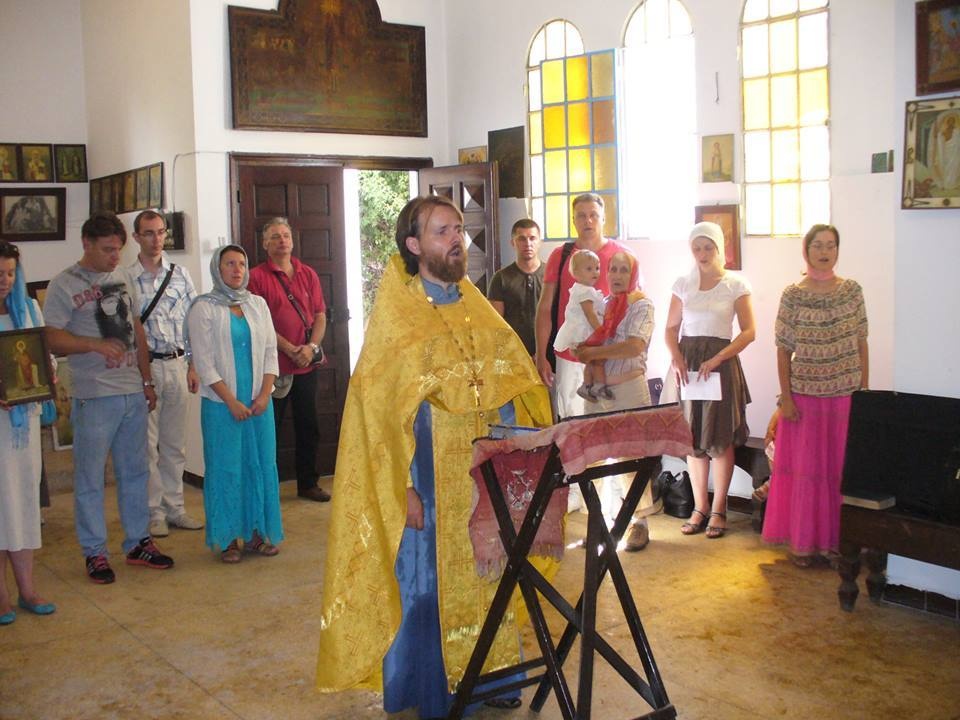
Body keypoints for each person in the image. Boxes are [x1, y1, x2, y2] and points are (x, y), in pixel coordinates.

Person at [316, 196, 551, 719]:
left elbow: (513, 382)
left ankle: (490, 678)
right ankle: (434, 688)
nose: (456, 240)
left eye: (460, 229)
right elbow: (376, 415)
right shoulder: (397, 320)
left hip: (484, 476)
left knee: (491, 573)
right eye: (443, 230)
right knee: (428, 585)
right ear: (414, 245)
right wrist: (397, 486)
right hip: (428, 476)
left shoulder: (477, 307)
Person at [44, 211, 174, 584]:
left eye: (118, 249)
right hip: (94, 396)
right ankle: (95, 552)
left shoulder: (122, 277)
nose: (114, 257)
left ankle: (137, 543)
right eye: (107, 250)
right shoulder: (64, 284)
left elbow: (137, 330)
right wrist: (94, 345)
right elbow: (50, 337)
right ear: (86, 244)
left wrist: (147, 381)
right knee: (89, 478)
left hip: (132, 391)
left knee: (135, 472)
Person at [762, 224, 868, 568]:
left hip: (844, 394)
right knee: (806, 473)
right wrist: (787, 398)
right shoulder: (793, 294)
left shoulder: (852, 291)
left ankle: (836, 544)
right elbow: (782, 350)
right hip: (804, 398)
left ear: (838, 250)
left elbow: (861, 341)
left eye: (832, 245)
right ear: (806, 251)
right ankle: (804, 544)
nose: (825, 251)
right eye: (818, 245)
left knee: (838, 472)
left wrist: (864, 392)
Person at [186, 245, 283, 563]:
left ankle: (257, 534)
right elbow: (204, 361)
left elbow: (271, 352)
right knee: (227, 469)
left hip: (258, 405)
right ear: (218, 268)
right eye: (229, 263)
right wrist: (231, 400)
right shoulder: (204, 308)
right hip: (221, 406)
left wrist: (264, 394)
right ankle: (228, 538)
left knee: (259, 465)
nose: (237, 269)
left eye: (242, 263)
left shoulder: (258, 305)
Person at [664, 221, 755, 539]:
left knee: (719, 438)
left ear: (719, 249)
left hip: (720, 364)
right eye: (697, 248)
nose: (702, 254)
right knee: (693, 437)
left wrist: (718, 358)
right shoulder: (683, 284)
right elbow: (670, 328)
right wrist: (676, 357)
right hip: (689, 367)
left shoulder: (735, 284)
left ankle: (719, 509)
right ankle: (699, 507)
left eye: (708, 247)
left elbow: (749, 331)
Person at [573, 250, 658, 550]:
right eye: (614, 270)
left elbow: (634, 346)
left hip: (629, 390)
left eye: (625, 270)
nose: (618, 276)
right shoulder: (602, 305)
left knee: (632, 456)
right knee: (592, 456)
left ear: (633, 274)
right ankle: (596, 522)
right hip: (597, 393)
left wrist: (592, 353)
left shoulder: (642, 305)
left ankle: (639, 523)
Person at [127, 210, 204, 538]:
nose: (156, 239)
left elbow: (194, 321)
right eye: (148, 233)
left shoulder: (181, 275)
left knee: (176, 444)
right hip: (146, 367)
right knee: (148, 445)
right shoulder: (126, 278)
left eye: (160, 232)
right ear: (136, 238)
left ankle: (176, 508)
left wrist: (193, 364)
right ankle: (154, 512)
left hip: (177, 364)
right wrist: (143, 377)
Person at [248, 217, 330, 502]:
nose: (282, 240)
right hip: (275, 368)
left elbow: (320, 315)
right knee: (271, 429)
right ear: (265, 244)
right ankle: (266, 487)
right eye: (275, 236)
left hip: (307, 364)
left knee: (309, 425)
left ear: (292, 241)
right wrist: (287, 348)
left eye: (285, 235)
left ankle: (308, 483)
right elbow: (258, 322)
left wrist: (310, 347)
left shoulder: (308, 273)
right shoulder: (256, 277)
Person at [0, 241, 55, 624]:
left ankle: (28, 589)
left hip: (25, 421)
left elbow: (42, 355)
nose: (3, 281)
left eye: (8, 273)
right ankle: (1, 596)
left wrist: (45, 374)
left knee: (23, 503)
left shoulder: (29, 309)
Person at [554, 249, 610, 401]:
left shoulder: (583, 289)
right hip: (583, 331)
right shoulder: (585, 291)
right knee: (595, 359)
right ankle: (595, 386)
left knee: (592, 361)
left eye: (597, 268)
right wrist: (600, 330)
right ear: (576, 273)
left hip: (583, 330)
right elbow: (589, 313)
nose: (595, 272)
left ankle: (589, 386)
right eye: (589, 269)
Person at [487, 218, 544, 356]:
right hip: (513, 353)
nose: (528, 244)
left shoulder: (551, 275)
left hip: (547, 352)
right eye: (522, 239)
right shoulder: (500, 278)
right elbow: (496, 323)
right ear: (513, 243)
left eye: (532, 238)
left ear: (540, 242)